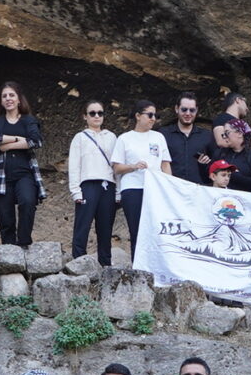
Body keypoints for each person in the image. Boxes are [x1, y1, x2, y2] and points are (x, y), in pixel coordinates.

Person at [0, 83, 46, 247]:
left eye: (11, 95)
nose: (8, 99)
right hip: (1, 175)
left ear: (19, 99)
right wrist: (18, 140)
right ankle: (8, 252)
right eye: (4, 96)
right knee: (5, 218)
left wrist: (7, 144)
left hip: (24, 173)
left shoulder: (28, 120)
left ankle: (24, 244)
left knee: (28, 202)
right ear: (1, 101)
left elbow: (36, 141)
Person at [112, 101, 173, 256]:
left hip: (156, 188)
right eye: (150, 115)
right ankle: (138, 268)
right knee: (137, 230)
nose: (153, 119)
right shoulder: (125, 138)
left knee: (157, 229)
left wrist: (170, 187)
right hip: (133, 188)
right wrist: (133, 166)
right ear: (138, 116)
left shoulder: (158, 137)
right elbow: (117, 167)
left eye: (156, 115)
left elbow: (165, 165)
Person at [70, 102, 123, 267]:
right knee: (82, 225)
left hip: (108, 185)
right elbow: (74, 166)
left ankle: (105, 264)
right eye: (92, 113)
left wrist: (118, 190)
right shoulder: (80, 137)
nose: (97, 116)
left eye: (100, 113)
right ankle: (79, 263)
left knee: (105, 228)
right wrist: (75, 191)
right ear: (85, 116)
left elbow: (117, 165)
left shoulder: (112, 137)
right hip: (88, 185)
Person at [164, 95, 215, 179]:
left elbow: (214, 163)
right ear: (177, 109)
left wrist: (205, 163)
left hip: (198, 188)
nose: (188, 113)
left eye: (192, 110)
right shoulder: (164, 134)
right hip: (172, 188)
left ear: (197, 110)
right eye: (184, 109)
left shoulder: (207, 135)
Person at [211, 123, 251, 193]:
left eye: (227, 133)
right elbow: (208, 176)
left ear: (240, 133)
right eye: (223, 134)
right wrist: (202, 164)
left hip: (243, 201)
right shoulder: (220, 153)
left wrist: (239, 178)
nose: (224, 137)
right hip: (220, 199)